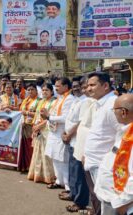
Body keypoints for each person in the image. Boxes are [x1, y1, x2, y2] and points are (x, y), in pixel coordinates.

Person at [84, 72, 121, 215]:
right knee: (99, 200)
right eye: (88, 85)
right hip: (94, 162)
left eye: (92, 85)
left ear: (105, 86)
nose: (88, 88)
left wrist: (111, 159)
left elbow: (124, 135)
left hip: (105, 165)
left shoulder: (113, 104)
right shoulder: (100, 104)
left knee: (108, 203)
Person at [95, 94, 133, 215]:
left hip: (120, 202)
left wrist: (122, 203)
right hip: (111, 197)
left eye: (114, 110)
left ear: (123, 112)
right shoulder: (125, 131)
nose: (113, 113)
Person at [60, 77, 90, 213]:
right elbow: (69, 119)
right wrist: (65, 133)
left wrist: (69, 134)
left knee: (78, 173)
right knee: (72, 170)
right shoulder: (75, 100)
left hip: (78, 140)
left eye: (79, 86)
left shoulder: (85, 101)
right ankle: (73, 193)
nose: (76, 88)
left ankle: (80, 201)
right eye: (74, 86)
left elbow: (80, 122)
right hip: (70, 139)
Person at [41, 77, 74, 192]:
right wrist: (47, 115)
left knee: (62, 160)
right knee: (55, 157)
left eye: (58, 86)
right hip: (53, 131)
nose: (56, 88)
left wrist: (49, 117)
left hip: (61, 132)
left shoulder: (69, 99)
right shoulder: (58, 99)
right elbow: (53, 113)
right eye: (55, 86)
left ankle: (68, 186)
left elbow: (65, 118)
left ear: (66, 87)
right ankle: (59, 181)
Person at [72, 77, 97, 214]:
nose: (86, 89)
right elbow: (81, 123)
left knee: (91, 183)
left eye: (90, 86)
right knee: (81, 177)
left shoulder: (100, 103)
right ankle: (88, 205)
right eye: (85, 87)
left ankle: (89, 207)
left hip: (90, 151)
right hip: (80, 146)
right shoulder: (86, 101)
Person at [28, 83, 56, 184]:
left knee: (46, 154)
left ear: (51, 91)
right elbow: (37, 115)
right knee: (38, 153)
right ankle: (37, 175)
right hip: (38, 129)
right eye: (43, 90)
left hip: (47, 130)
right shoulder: (41, 102)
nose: (44, 92)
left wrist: (39, 126)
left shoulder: (54, 102)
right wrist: (35, 127)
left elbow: (50, 117)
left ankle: (49, 176)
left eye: (47, 90)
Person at [18, 83, 40, 172]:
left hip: (32, 127)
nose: (30, 91)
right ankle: (24, 166)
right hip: (23, 126)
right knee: (23, 146)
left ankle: (31, 167)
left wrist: (27, 113)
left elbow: (39, 114)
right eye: (29, 90)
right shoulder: (25, 100)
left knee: (31, 147)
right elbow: (20, 111)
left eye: (32, 89)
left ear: (36, 91)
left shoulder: (39, 101)